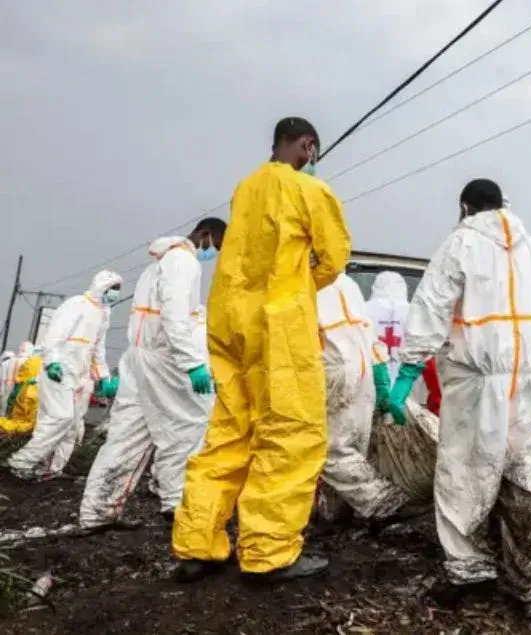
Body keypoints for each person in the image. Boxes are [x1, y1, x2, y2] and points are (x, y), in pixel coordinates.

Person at [171, 116, 351, 583]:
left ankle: (197, 545)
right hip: (279, 324)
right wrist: (299, 283)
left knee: (228, 433)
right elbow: (334, 259)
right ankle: (269, 553)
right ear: (308, 145)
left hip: (230, 322)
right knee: (290, 433)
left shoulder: (244, 189)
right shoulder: (310, 191)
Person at [386, 179, 531, 622]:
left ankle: (470, 572)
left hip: (475, 382)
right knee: (526, 477)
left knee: (463, 473)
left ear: (465, 206)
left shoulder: (460, 243)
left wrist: (408, 369)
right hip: (523, 383)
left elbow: (430, 307)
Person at [79, 220, 226, 532]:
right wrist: (192, 363)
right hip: (163, 358)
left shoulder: (158, 263)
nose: (215, 252)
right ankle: (176, 502)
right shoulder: (183, 261)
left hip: (137, 356)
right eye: (217, 244)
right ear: (205, 235)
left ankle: (97, 513)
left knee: (128, 434)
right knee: (189, 426)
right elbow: (174, 314)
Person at [316, 273, 425, 532]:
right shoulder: (347, 284)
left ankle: (383, 502)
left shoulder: (302, 281)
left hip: (330, 369)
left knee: (329, 449)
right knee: (354, 442)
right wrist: (379, 373)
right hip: (364, 368)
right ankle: (334, 513)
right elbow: (367, 332)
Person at [7, 271, 122, 479]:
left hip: (79, 374)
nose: (115, 293)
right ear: (101, 287)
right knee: (61, 417)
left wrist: (103, 376)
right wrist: (52, 362)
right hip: (59, 370)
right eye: (112, 288)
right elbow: (55, 334)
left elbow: (98, 349)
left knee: (70, 425)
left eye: (117, 290)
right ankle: (22, 460)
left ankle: (50, 467)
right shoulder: (77, 304)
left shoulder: (104, 313)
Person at [365, 271, 442, 415]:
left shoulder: (362, 310)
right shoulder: (414, 313)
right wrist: (435, 399)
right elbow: (426, 358)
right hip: (406, 396)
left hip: (369, 394)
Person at [2, 343, 43, 435]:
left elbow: (19, 379)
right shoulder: (40, 363)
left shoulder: (27, 361)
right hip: (27, 390)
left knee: (10, 414)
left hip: (16, 389)